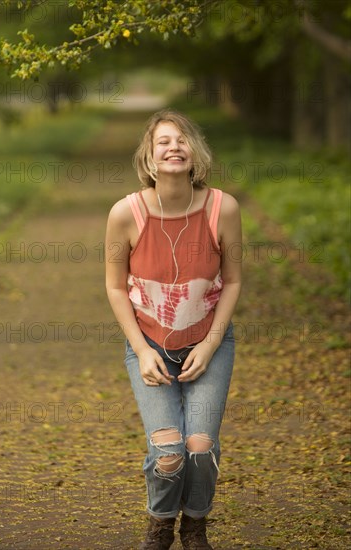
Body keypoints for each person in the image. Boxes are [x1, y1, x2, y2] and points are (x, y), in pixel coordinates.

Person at [105, 109, 242, 549]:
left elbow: (235, 280)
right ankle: (161, 523)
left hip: (209, 342)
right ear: (149, 158)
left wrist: (212, 343)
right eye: (163, 141)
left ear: (194, 152)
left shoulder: (224, 209)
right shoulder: (125, 214)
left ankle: (195, 526)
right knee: (168, 452)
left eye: (182, 140)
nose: (173, 147)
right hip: (148, 343)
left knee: (199, 445)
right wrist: (143, 352)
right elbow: (113, 287)